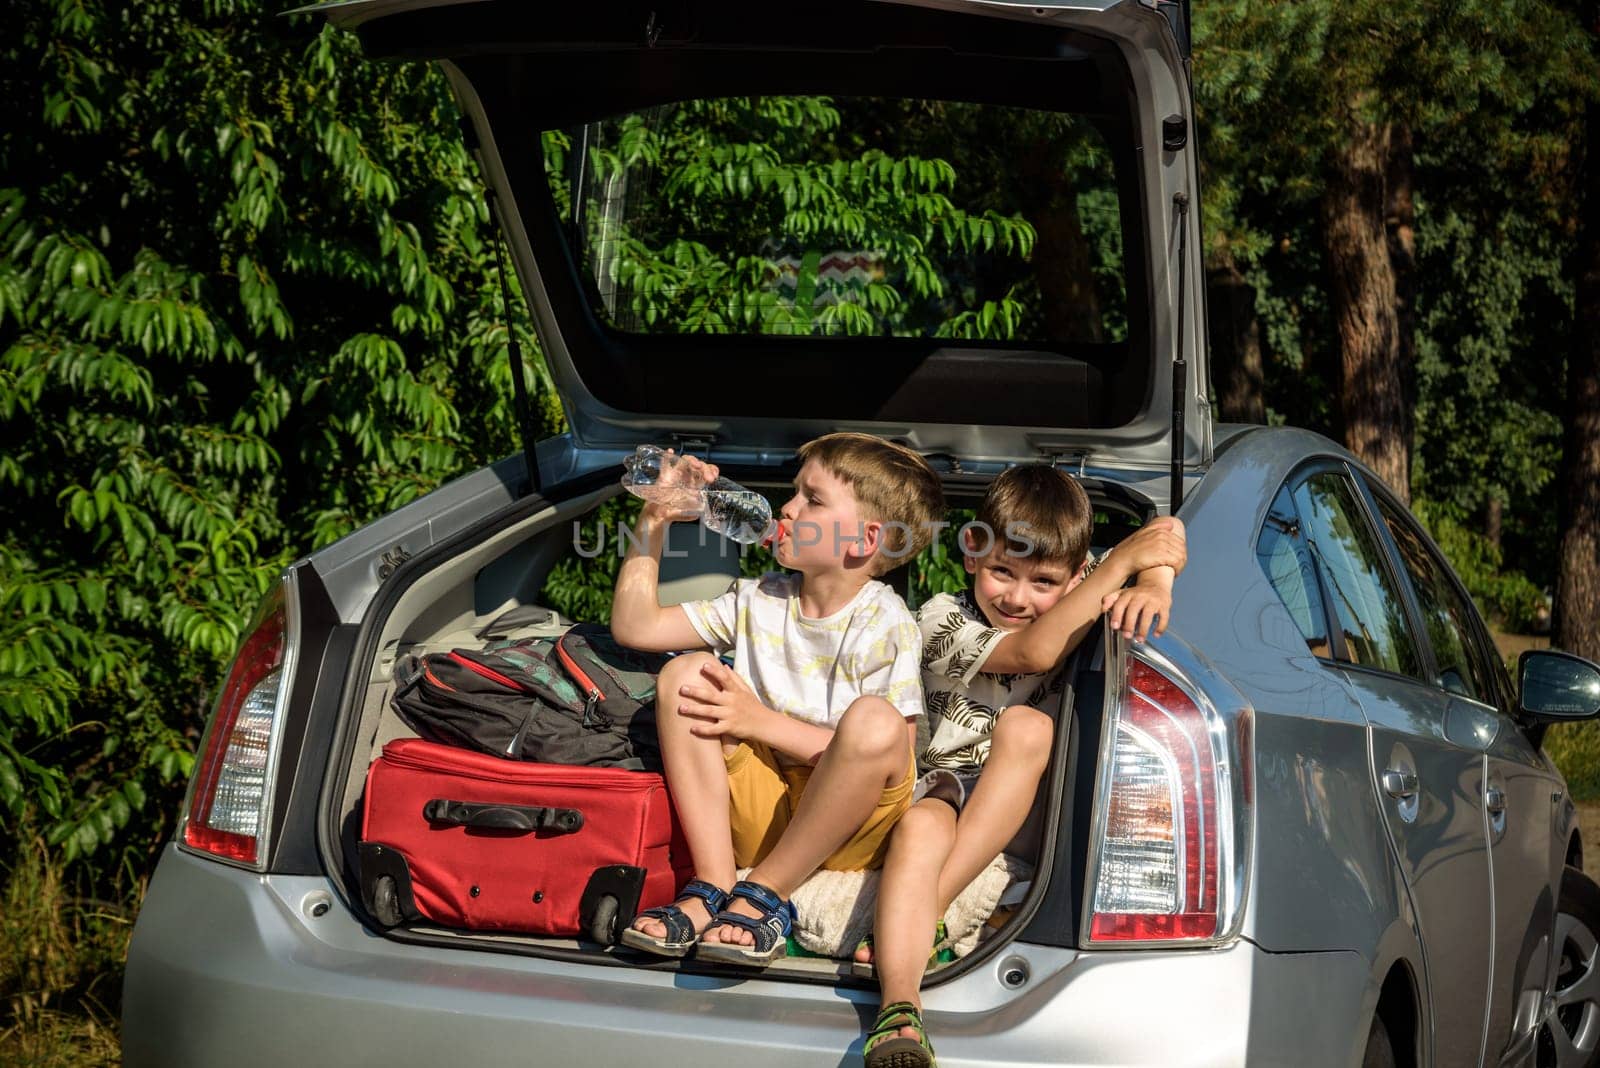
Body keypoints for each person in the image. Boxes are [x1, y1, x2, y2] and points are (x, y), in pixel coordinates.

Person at [858, 465, 1187, 1068]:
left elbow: (1165, 531)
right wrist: (1116, 570)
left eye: (1043, 582)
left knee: (1029, 727)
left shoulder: (1088, 586)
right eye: (1002, 572)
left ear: (1076, 575)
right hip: (947, 787)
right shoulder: (939, 618)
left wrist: (1156, 587)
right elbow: (1033, 654)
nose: (1016, 597)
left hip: (1034, 808)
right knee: (918, 827)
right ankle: (899, 1011)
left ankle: (918, 918)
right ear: (972, 555)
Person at [610, 432, 945, 966]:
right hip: (765, 807)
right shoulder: (755, 598)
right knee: (684, 674)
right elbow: (635, 625)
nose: (786, 508)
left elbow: (893, 754)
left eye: (812, 498)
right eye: (795, 492)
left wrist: (757, 721)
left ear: (863, 539)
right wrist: (652, 523)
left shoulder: (885, 622)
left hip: (850, 829)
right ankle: (715, 882)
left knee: (875, 722)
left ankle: (767, 889)